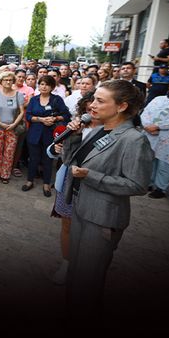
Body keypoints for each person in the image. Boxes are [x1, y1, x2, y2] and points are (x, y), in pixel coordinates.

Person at [61, 80, 153, 321]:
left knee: (88, 278)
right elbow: (70, 162)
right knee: (76, 272)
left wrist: (93, 176)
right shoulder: (101, 129)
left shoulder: (134, 139)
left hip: (103, 217)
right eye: (94, 99)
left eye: (100, 101)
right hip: (82, 207)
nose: (92, 105)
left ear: (122, 106)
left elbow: (138, 185)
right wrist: (73, 136)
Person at [47, 91, 98, 285]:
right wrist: (56, 147)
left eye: (99, 102)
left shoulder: (113, 132)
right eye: (91, 103)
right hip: (67, 183)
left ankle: (86, 266)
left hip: (92, 188)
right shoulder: (76, 126)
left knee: (89, 230)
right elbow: (52, 150)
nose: (93, 107)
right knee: (67, 225)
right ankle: (67, 263)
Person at [23, 76, 70, 197]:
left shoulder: (57, 99)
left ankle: (46, 183)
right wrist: (41, 119)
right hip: (34, 133)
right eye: (42, 84)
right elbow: (28, 116)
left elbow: (66, 115)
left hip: (50, 134)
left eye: (47, 85)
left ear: (52, 87)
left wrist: (55, 118)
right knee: (33, 159)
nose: (44, 87)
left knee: (48, 159)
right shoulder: (34, 99)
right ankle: (30, 180)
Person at [0, 71, 25, 184]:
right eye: (5, 80)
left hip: (12, 128)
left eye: (10, 80)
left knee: (9, 152)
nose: (8, 82)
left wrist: (14, 124)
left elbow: (22, 112)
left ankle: (5, 174)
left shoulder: (18, 94)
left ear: (13, 81)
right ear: (1, 82)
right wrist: (0, 123)